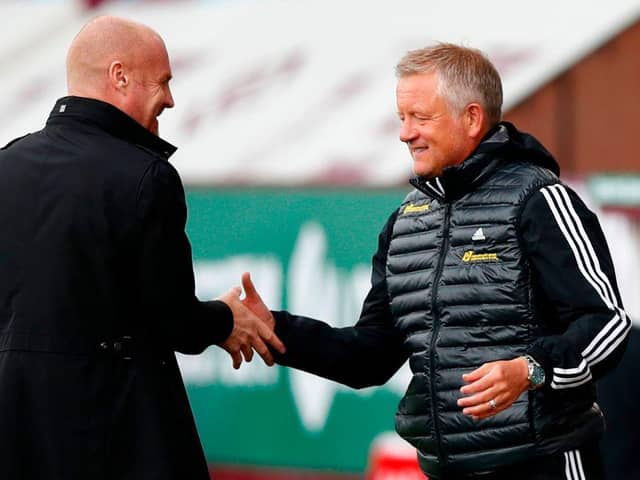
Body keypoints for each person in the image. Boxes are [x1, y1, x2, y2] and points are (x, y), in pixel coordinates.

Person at [240, 43, 631, 479]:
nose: (406, 133)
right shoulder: (405, 222)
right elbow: (369, 357)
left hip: (545, 461)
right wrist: (276, 330)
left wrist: (531, 369)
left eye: (421, 118)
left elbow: (606, 324)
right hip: (446, 469)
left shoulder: (540, 199)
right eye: (402, 118)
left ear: (472, 118)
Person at [0, 15, 283, 480]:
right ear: (120, 76)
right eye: (164, 81)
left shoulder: (7, 165)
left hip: (18, 432)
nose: (170, 99)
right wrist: (225, 319)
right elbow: (173, 319)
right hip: (115, 431)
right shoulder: (145, 176)